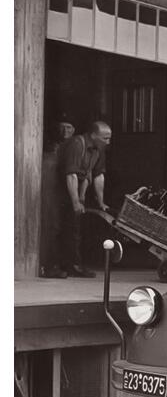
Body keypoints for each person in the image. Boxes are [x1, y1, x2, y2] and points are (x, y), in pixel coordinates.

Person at [58, 121, 111, 278]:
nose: (108, 142)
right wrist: (75, 201)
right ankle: (59, 265)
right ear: (94, 135)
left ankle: (74, 265)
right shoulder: (77, 144)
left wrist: (100, 202)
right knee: (59, 226)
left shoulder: (98, 149)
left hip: (78, 185)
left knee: (75, 227)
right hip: (61, 187)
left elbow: (95, 175)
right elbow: (71, 174)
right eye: (105, 138)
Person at [40, 116, 77, 278]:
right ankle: (48, 265)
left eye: (69, 128)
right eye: (62, 127)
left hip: (61, 193)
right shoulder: (50, 149)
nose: (65, 131)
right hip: (50, 193)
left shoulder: (73, 147)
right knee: (51, 227)